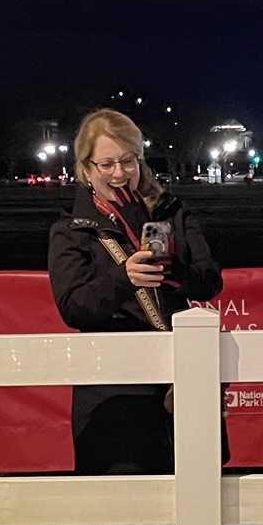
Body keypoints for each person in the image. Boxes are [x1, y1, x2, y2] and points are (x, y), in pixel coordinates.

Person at [48, 108, 223, 473]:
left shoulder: (172, 212)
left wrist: (172, 270)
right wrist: (123, 277)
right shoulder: (72, 231)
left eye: (128, 161)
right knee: (123, 498)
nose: (119, 173)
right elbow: (73, 307)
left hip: (181, 380)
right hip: (114, 392)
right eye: (106, 164)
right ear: (86, 169)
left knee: (197, 491)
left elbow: (209, 282)